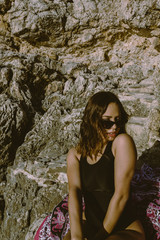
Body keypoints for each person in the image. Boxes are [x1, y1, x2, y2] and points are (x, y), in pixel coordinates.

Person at [66, 91, 146, 240]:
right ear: (92, 121)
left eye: (118, 120)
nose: (114, 127)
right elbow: (74, 192)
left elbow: (121, 195)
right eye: (107, 122)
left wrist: (99, 237)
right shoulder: (75, 155)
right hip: (90, 223)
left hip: (124, 228)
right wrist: (76, 236)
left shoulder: (122, 143)